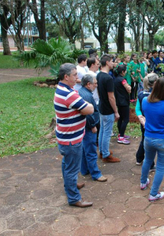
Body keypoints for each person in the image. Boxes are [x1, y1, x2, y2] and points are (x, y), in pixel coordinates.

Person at [54, 63, 94, 207]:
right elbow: (89, 109)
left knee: (67, 164)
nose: (77, 77)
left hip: (65, 137)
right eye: (75, 75)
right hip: (71, 139)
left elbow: (82, 106)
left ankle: (70, 185)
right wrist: (83, 107)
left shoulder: (63, 89)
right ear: (66, 77)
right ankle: (74, 198)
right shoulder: (68, 94)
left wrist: (81, 108)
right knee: (72, 169)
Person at [78, 75, 108, 182]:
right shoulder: (86, 96)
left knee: (85, 148)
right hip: (88, 127)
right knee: (91, 150)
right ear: (88, 84)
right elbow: (88, 113)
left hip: (84, 126)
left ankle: (84, 169)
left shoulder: (82, 91)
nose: (96, 85)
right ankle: (96, 174)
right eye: (95, 83)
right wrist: (93, 126)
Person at [97, 54, 121, 162]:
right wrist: (116, 111)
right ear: (107, 62)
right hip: (108, 110)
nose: (113, 63)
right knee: (106, 132)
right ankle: (106, 155)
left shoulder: (99, 75)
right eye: (112, 61)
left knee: (102, 130)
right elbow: (111, 97)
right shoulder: (108, 78)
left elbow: (98, 92)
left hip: (101, 107)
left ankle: (103, 151)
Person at [135, 73, 159, 172]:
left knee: (145, 139)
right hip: (153, 123)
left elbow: (137, 108)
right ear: (155, 83)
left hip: (144, 122)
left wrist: (141, 119)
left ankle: (139, 158)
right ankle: (150, 165)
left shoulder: (141, 93)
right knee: (151, 143)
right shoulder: (157, 95)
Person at [114, 64, 132, 145]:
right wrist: (130, 88)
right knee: (126, 119)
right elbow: (128, 88)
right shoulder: (122, 80)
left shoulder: (115, 79)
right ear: (122, 72)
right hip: (124, 102)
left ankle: (120, 134)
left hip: (118, 101)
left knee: (121, 119)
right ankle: (121, 137)